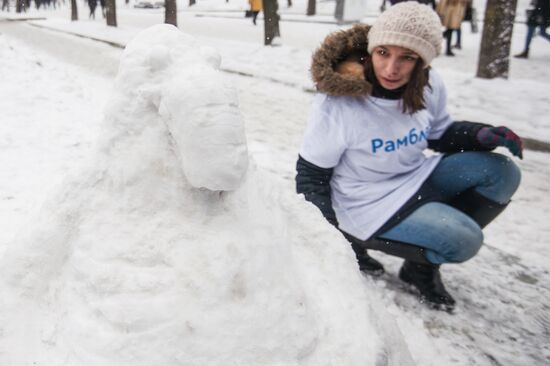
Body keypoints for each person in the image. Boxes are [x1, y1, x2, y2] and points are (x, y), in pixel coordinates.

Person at [296, 2, 522, 311]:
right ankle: (370, 243)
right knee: (465, 241)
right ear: (370, 51)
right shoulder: (338, 105)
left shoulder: (428, 84)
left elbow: (439, 134)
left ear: (423, 62)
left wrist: (480, 134)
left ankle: (421, 258)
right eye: (383, 53)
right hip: (365, 201)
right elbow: (311, 176)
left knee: (503, 172)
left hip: (415, 175)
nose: (391, 69)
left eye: (408, 57)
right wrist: (331, 238)